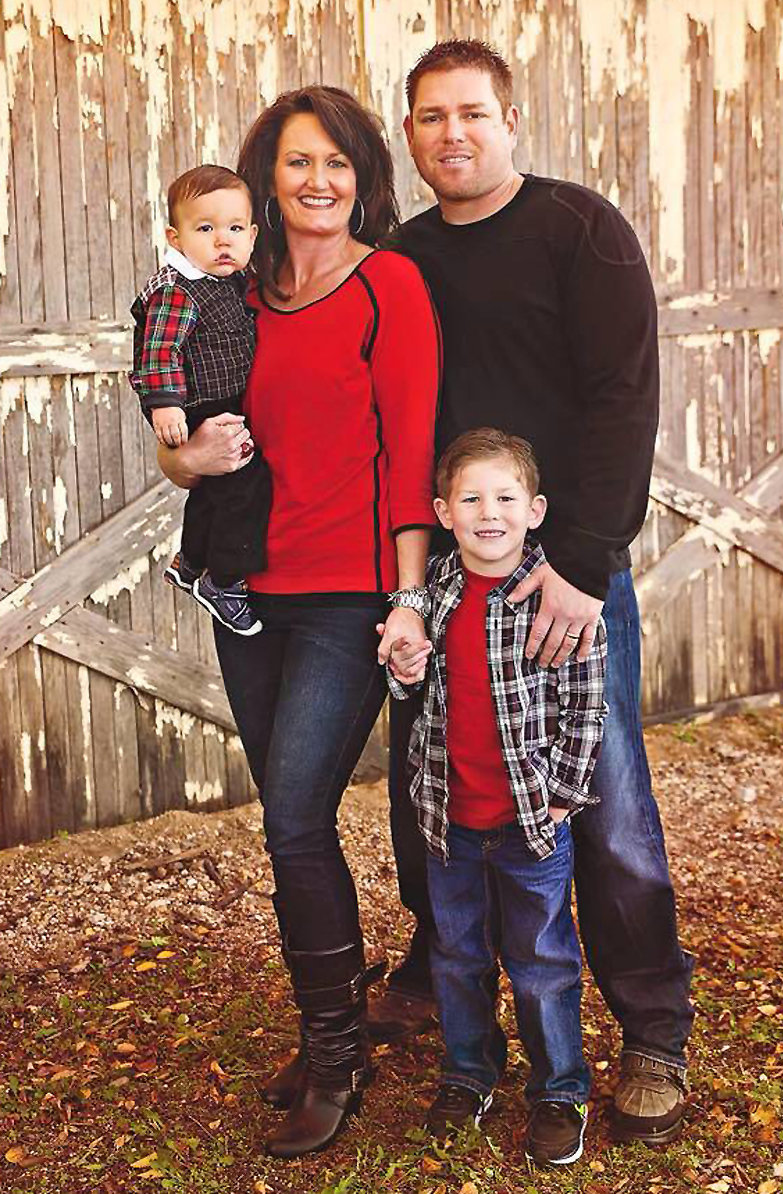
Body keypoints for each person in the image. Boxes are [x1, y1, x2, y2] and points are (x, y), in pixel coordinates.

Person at [373, 38, 694, 1145]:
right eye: (429, 117)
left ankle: (651, 1029)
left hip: (566, 577)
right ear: (408, 133)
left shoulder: (578, 230)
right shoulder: (401, 259)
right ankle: (456, 1005)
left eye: (471, 113)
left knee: (603, 815)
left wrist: (585, 567)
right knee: (437, 803)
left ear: (510, 121)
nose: (451, 133)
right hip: (447, 587)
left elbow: (624, 399)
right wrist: (413, 589)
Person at [156, 86, 439, 1159]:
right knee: (291, 814)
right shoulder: (228, 292)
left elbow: (410, 449)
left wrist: (408, 596)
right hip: (246, 589)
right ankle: (335, 1016)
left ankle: (334, 1055)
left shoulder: (390, 285)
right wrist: (179, 457)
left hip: (349, 594)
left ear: (363, 173)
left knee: (291, 817)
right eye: (294, 163)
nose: (316, 181)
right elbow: (179, 429)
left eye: (335, 162)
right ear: (264, 177)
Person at [384, 429, 607, 1168]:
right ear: (443, 511)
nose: (490, 512)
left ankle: (559, 1090)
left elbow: (587, 706)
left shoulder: (559, 601)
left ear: (534, 510)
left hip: (529, 825)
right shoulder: (437, 592)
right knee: (455, 956)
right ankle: (470, 1075)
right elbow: (412, 691)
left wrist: (565, 795)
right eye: (471, 498)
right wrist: (405, 665)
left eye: (506, 498)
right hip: (449, 819)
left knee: (542, 961)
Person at [129, 165, 271, 636]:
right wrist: (166, 403)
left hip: (224, 397)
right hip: (201, 404)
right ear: (176, 236)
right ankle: (225, 581)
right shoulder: (179, 289)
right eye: (205, 229)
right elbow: (158, 349)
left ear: (252, 234)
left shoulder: (232, 281)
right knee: (244, 486)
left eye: (234, 229)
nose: (222, 241)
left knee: (214, 489)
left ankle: (190, 562)